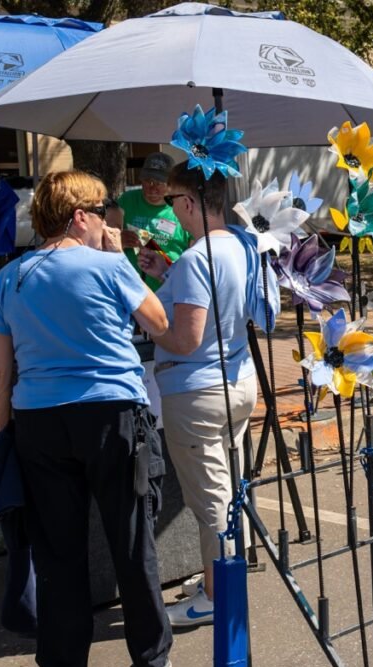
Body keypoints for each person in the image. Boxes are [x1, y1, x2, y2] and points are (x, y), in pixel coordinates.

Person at [0, 171, 173, 667]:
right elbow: (158, 322)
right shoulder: (109, 267)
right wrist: (118, 258)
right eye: (102, 210)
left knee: (57, 551)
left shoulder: (11, 277)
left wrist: (8, 436)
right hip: (111, 413)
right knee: (132, 543)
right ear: (80, 217)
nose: (108, 219)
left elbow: (0, 370)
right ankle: (151, 663)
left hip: (38, 420)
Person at [138, 162, 277, 628]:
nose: (172, 212)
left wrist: (145, 312)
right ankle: (220, 582)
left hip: (197, 391)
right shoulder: (239, 242)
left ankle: (219, 597)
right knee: (227, 490)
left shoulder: (201, 257)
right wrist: (168, 272)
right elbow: (218, 303)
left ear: (192, 202)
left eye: (175, 203)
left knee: (211, 502)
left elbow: (186, 339)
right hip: (235, 381)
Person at [113, 152, 194, 291]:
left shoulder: (182, 206)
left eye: (160, 183)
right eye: (148, 181)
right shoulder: (126, 200)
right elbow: (102, 239)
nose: (153, 188)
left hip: (169, 291)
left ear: (171, 184)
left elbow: (194, 258)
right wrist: (118, 241)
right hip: (129, 292)